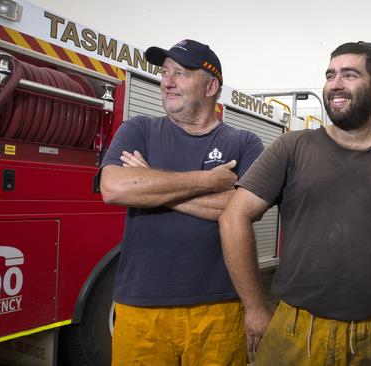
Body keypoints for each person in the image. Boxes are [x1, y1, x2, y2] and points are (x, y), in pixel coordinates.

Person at [219, 41, 371, 365]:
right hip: (293, 329)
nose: (335, 84)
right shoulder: (292, 148)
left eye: (349, 75)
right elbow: (235, 216)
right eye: (330, 75)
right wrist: (254, 306)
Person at [100, 39, 264, 365]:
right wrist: (209, 181)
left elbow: (246, 210)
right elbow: (115, 188)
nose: (167, 82)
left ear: (211, 85)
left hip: (220, 308)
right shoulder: (139, 129)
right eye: (164, 73)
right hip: (140, 307)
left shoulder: (245, 142)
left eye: (181, 73)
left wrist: (152, 188)